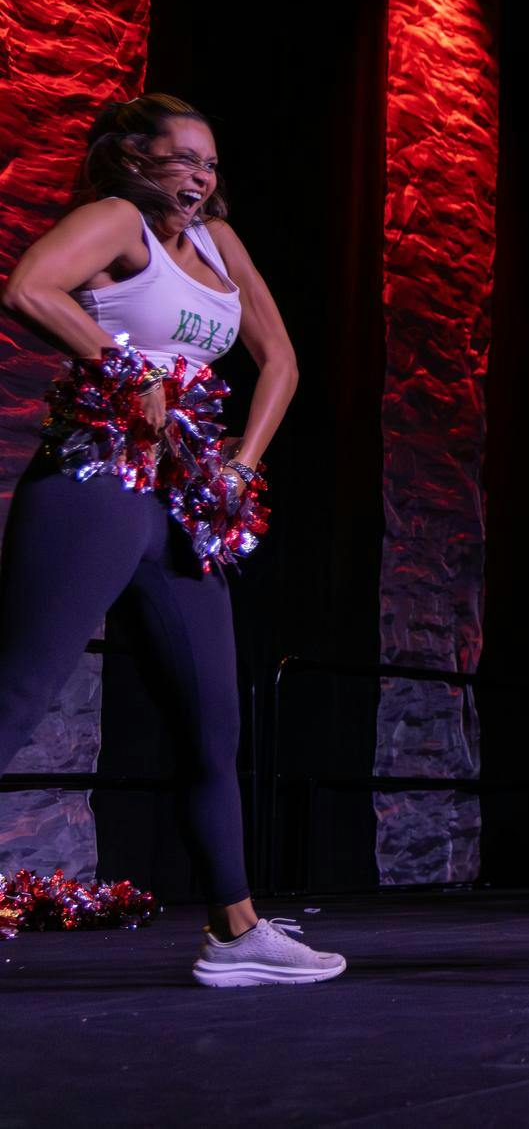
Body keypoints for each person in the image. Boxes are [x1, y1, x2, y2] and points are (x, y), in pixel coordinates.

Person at [0, 94, 341, 987]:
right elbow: (29, 285)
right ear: (135, 159)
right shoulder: (117, 221)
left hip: (184, 500)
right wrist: (121, 367)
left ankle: (235, 931)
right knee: (19, 690)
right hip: (99, 478)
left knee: (211, 721)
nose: (201, 176)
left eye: (211, 163)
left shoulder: (221, 245)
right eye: (184, 158)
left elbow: (282, 360)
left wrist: (242, 461)